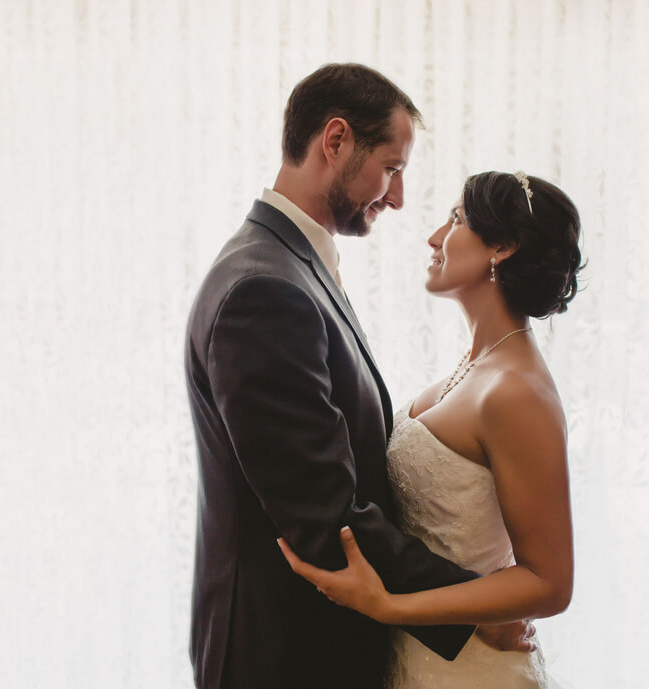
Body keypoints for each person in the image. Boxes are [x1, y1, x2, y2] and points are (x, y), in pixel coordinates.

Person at [184, 64, 532, 689]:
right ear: (336, 140)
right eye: (392, 167)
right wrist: (473, 608)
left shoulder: (286, 266)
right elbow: (323, 513)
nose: (397, 196)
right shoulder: (264, 289)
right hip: (285, 655)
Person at [278, 170, 583, 688]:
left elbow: (549, 582)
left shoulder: (517, 392)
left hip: (470, 670)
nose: (435, 236)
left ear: (502, 246)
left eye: (457, 219)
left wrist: (389, 607)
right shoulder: (474, 367)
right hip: (415, 659)